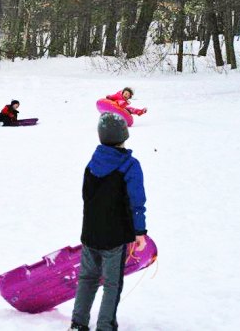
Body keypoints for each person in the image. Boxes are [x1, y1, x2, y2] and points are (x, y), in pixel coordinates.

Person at [69, 112, 148, 331]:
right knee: (112, 283)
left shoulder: (92, 164)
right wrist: (139, 231)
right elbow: (136, 200)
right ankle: (105, 326)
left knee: (88, 278)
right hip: (115, 237)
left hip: (91, 233)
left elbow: (87, 196)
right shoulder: (130, 165)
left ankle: (78, 324)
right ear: (125, 134)